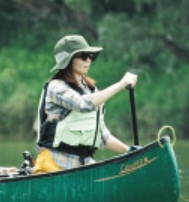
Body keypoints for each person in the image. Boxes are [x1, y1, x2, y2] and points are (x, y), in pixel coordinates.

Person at [33, 34, 138, 174]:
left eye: (90, 56)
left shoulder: (91, 90)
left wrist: (131, 152)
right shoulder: (56, 87)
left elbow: (102, 136)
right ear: (68, 60)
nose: (88, 60)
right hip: (53, 165)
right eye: (83, 56)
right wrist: (120, 85)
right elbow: (83, 104)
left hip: (83, 165)